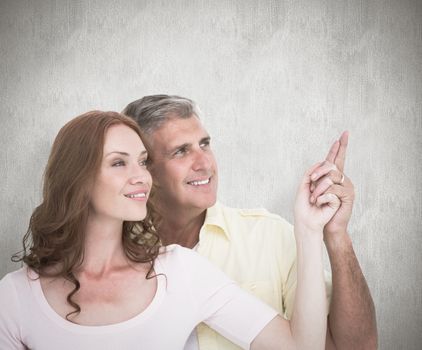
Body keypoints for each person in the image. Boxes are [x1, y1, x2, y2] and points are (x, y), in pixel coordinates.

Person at [0, 111, 339, 349]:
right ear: (78, 179)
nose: (141, 176)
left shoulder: (181, 271)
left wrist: (309, 231)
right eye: (119, 162)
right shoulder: (15, 298)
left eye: (143, 161)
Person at [122, 95, 378, 350]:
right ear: (145, 169)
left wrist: (336, 234)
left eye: (205, 144)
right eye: (181, 151)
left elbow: (356, 348)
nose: (205, 163)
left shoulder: (272, 237)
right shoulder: (115, 252)